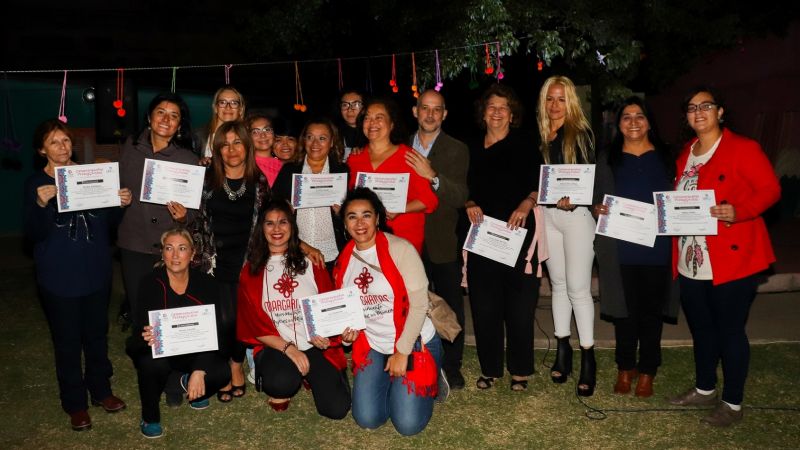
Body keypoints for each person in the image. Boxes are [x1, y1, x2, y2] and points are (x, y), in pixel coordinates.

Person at [666, 87, 780, 426]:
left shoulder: (743, 148)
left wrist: (738, 210)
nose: (698, 111)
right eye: (691, 107)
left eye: (706, 105)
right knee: (702, 330)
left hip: (731, 258)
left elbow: (771, 190)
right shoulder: (686, 152)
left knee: (730, 331)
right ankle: (705, 389)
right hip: (691, 257)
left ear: (720, 112)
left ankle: (732, 403)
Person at [24, 119, 130, 431]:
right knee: (67, 341)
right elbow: (32, 234)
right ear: (42, 149)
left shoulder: (91, 175)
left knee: (97, 335)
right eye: (54, 142)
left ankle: (101, 391)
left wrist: (121, 204)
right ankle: (75, 403)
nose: (62, 147)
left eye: (66, 141)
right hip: (59, 275)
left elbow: (108, 224)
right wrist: (41, 205)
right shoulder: (34, 184)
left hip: (95, 270)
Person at [335, 187, 443, 436]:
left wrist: (402, 352)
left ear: (378, 218)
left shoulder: (401, 249)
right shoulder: (344, 261)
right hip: (374, 343)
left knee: (407, 425)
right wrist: (345, 334)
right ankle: (396, 382)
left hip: (413, 340)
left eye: (366, 215)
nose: (360, 223)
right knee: (368, 419)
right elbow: (347, 308)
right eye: (352, 216)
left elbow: (419, 306)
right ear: (344, 222)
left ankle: (434, 371)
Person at [592, 97, 677, 398]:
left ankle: (648, 371)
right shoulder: (607, 157)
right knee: (624, 313)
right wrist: (597, 209)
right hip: (620, 247)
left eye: (639, 116)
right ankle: (624, 368)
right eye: (626, 117)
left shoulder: (667, 156)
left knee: (652, 313)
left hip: (657, 248)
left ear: (649, 122)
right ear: (619, 125)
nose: (633, 122)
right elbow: (596, 198)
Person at [237, 200, 351, 417]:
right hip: (277, 346)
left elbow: (330, 306)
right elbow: (252, 326)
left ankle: (316, 375)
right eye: (269, 224)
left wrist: (327, 333)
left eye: (283, 222)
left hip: (314, 343)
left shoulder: (313, 263)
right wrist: (289, 348)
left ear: (292, 226)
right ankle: (289, 376)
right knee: (280, 383)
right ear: (261, 229)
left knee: (337, 410)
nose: (277, 229)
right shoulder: (250, 272)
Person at [465, 84, 543, 392]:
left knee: (520, 309)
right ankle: (490, 369)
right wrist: (469, 203)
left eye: (503, 108)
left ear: (512, 115)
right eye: (491, 107)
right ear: (483, 113)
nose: (497, 112)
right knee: (485, 308)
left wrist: (527, 202)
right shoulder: (469, 148)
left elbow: (540, 183)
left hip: (519, 235)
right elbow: (461, 188)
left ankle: (520, 370)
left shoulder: (525, 144)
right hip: (482, 237)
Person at [128, 228, 231, 438]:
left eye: (182, 248)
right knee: (151, 363)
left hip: (193, 350)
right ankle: (150, 417)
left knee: (221, 372)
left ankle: (181, 382)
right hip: (160, 351)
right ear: (162, 253)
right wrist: (145, 334)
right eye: (169, 248)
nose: (175, 255)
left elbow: (214, 332)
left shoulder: (208, 284)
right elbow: (139, 326)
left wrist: (200, 371)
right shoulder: (149, 283)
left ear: (192, 254)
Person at [191, 120, 267, 402]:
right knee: (222, 321)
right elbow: (195, 218)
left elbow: (266, 225)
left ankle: (236, 363)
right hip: (213, 261)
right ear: (218, 149)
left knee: (238, 320)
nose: (232, 149)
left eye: (238, 143)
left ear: (247, 147)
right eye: (225, 144)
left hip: (247, 261)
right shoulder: (206, 178)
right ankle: (224, 363)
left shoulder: (258, 181)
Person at [536, 75, 598, 396]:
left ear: (570, 101)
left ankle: (588, 356)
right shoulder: (539, 136)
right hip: (548, 215)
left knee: (578, 289)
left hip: (577, 217)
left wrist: (574, 196)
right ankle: (564, 349)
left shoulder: (581, 133)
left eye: (561, 99)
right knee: (557, 285)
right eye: (550, 98)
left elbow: (588, 179)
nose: (555, 105)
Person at [406, 89, 470, 390]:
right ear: (415, 111)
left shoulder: (457, 149)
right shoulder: (399, 147)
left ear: (444, 114)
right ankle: (413, 354)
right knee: (411, 302)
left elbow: (459, 196)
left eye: (437, 109)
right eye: (425, 108)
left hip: (443, 240)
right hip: (407, 240)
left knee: (451, 302)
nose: (430, 114)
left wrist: (433, 176)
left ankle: (452, 364)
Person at [346, 97, 439, 254]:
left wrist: (400, 209)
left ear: (392, 124)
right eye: (367, 118)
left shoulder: (409, 157)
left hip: (403, 239)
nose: (372, 123)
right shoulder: (355, 159)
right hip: (366, 240)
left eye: (379, 118)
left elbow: (430, 200)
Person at [273, 117, 350, 271]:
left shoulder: (343, 171)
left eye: (322, 138)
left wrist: (344, 212)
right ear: (304, 141)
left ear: (332, 142)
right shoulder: (289, 170)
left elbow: (355, 210)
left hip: (334, 252)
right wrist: (284, 210)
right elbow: (272, 208)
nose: (315, 144)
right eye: (310, 137)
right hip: (297, 250)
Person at [196, 85, 246, 161]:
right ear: (216, 108)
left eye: (234, 103)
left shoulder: (248, 137)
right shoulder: (198, 135)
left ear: (241, 109)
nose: (228, 107)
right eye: (222, 102)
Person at [246, 113, 282, 187]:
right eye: (255, 132)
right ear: (248, 137)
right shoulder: (245, 165)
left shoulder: (283, 164)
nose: (263, 135)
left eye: (267, 129)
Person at [337, 89, 366, 161]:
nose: (350, 109)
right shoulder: (333, 133)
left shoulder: (373, 131)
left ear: (364, 108)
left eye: (355, 104)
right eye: (345, 105)